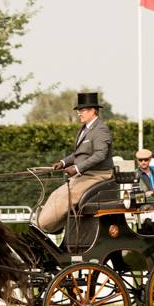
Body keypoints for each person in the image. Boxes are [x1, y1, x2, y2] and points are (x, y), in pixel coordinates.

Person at [36, 91, 114, 233]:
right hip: (84, 175)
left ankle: (45, 225)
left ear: (93, 111)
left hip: (98, 175)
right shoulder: (84, 129)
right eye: (79, 110)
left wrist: (77, 168)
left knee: (66, 197)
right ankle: (50, 226)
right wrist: (63, 162)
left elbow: (100, 154)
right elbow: (79, 153)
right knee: (55, 194)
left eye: (82, 110)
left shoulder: (101, 129)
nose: (79, 113)